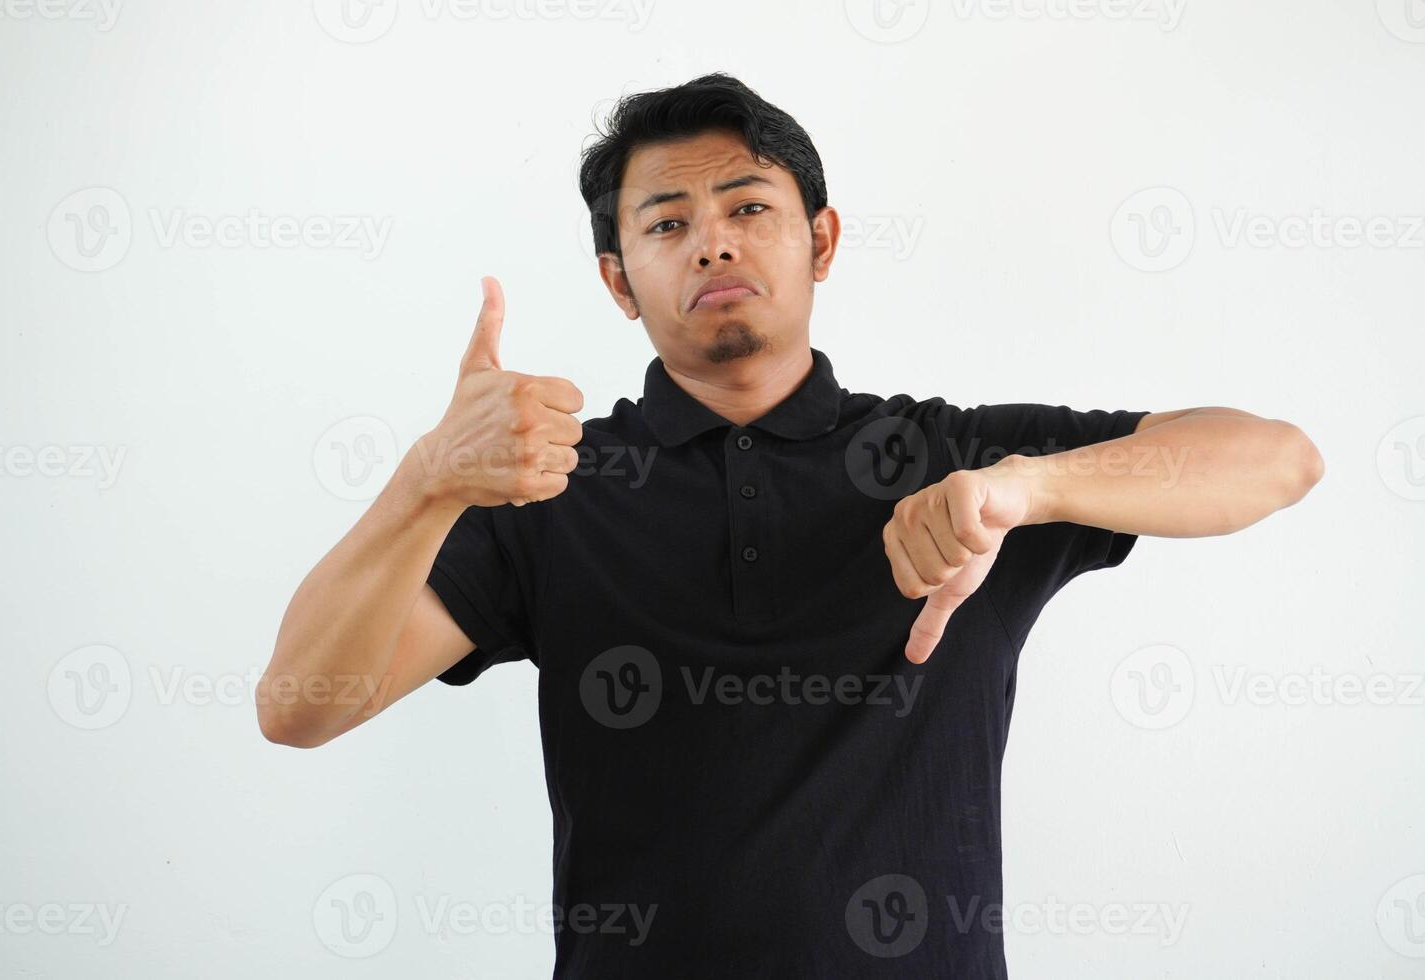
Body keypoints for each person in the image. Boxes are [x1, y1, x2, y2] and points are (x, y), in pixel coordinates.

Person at [257, 73, 1324, 978]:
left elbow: (1279, 458)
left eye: (747, 207)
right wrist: (427, 480)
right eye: (667, 223)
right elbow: (298, 707)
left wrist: (1028, 490)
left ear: (821, 238)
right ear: (619, 282)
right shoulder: (556, 488)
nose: (711, 243)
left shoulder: (957, 462)